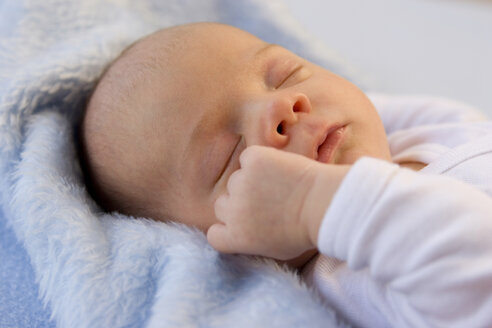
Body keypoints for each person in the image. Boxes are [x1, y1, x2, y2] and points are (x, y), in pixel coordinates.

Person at [80, 22, 492, 327]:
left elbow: (356, 99)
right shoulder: (348, 277)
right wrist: (314, 204)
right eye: (230, 155)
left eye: (284, 74)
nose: (283, 106)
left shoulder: (413, 136)